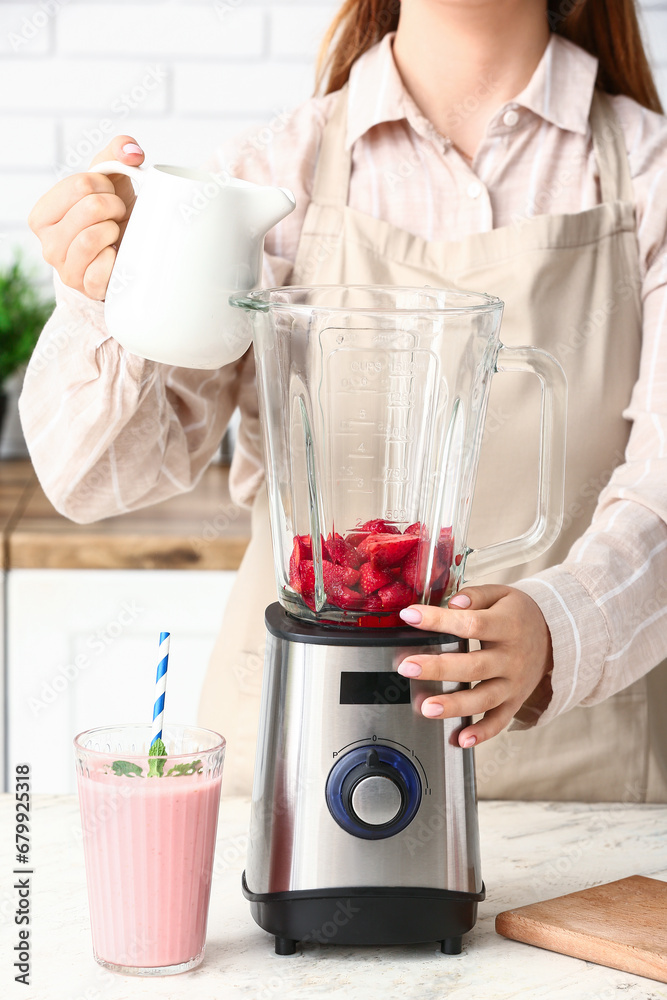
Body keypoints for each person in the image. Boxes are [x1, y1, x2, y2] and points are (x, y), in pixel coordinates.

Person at [23, 0, 667, 801]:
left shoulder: (650, 172)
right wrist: (105, 294)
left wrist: (556, 626)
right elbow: (100, 480)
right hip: (292, 769)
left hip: (580, 796)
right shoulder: (269, 174)